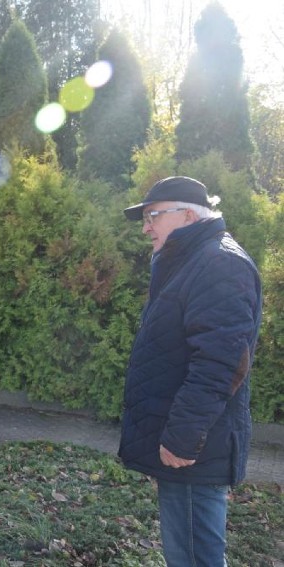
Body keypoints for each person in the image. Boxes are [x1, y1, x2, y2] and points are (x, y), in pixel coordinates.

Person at [119, 176, 263, 567]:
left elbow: (220, 363)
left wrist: (183, 439)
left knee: (195, 558)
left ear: (187, 214)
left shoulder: (218, 263)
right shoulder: (191, 260)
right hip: (190, 444)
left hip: (195, 451)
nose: (146, 227)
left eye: (153, 215)